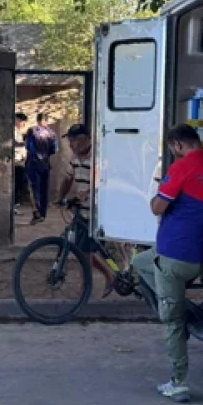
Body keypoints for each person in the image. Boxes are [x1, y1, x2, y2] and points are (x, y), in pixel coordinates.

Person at [132, 124, 203, 403]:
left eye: (172, 149)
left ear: (177, 145)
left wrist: (158, 191)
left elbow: (157, 206)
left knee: (173, 322)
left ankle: (178, 382)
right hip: (196, 252)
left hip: (174, 254)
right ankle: (176, 302)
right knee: (139, 262)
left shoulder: (181, 168)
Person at [57, 123, 116, 296]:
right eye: (69, 140)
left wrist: (87, 193)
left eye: (73, 140)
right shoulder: (75, 158)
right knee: (83, 250)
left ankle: (86, 289)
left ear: (85, 140)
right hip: (82, 210)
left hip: (98, 211)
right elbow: (68, 178)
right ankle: (108, 275)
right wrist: (60, 197)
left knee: (86, 252)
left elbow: (101, 182)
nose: (70, 144)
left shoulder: (98, 157)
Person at [24, 113, 58, 224]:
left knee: (34, 189)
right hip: (45, 163)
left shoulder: (32, 131)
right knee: (44, 189)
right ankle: (43, 214)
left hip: (33, 163)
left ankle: (37, 214)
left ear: (37, 120)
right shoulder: (52, 133)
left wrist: (36, 155)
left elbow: (29, 147)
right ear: (46, 121)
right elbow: (54, 150)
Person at [14, 113, 29, 210]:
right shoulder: (13, 131)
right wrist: (26, 144)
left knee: (20, 184)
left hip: (20, 161)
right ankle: (14, 204)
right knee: (18, 184)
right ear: (18, 120)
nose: (23, 125)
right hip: (16, 162)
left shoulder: (18, 131)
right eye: (23, 123)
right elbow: (13, 143)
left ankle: (15, 204)